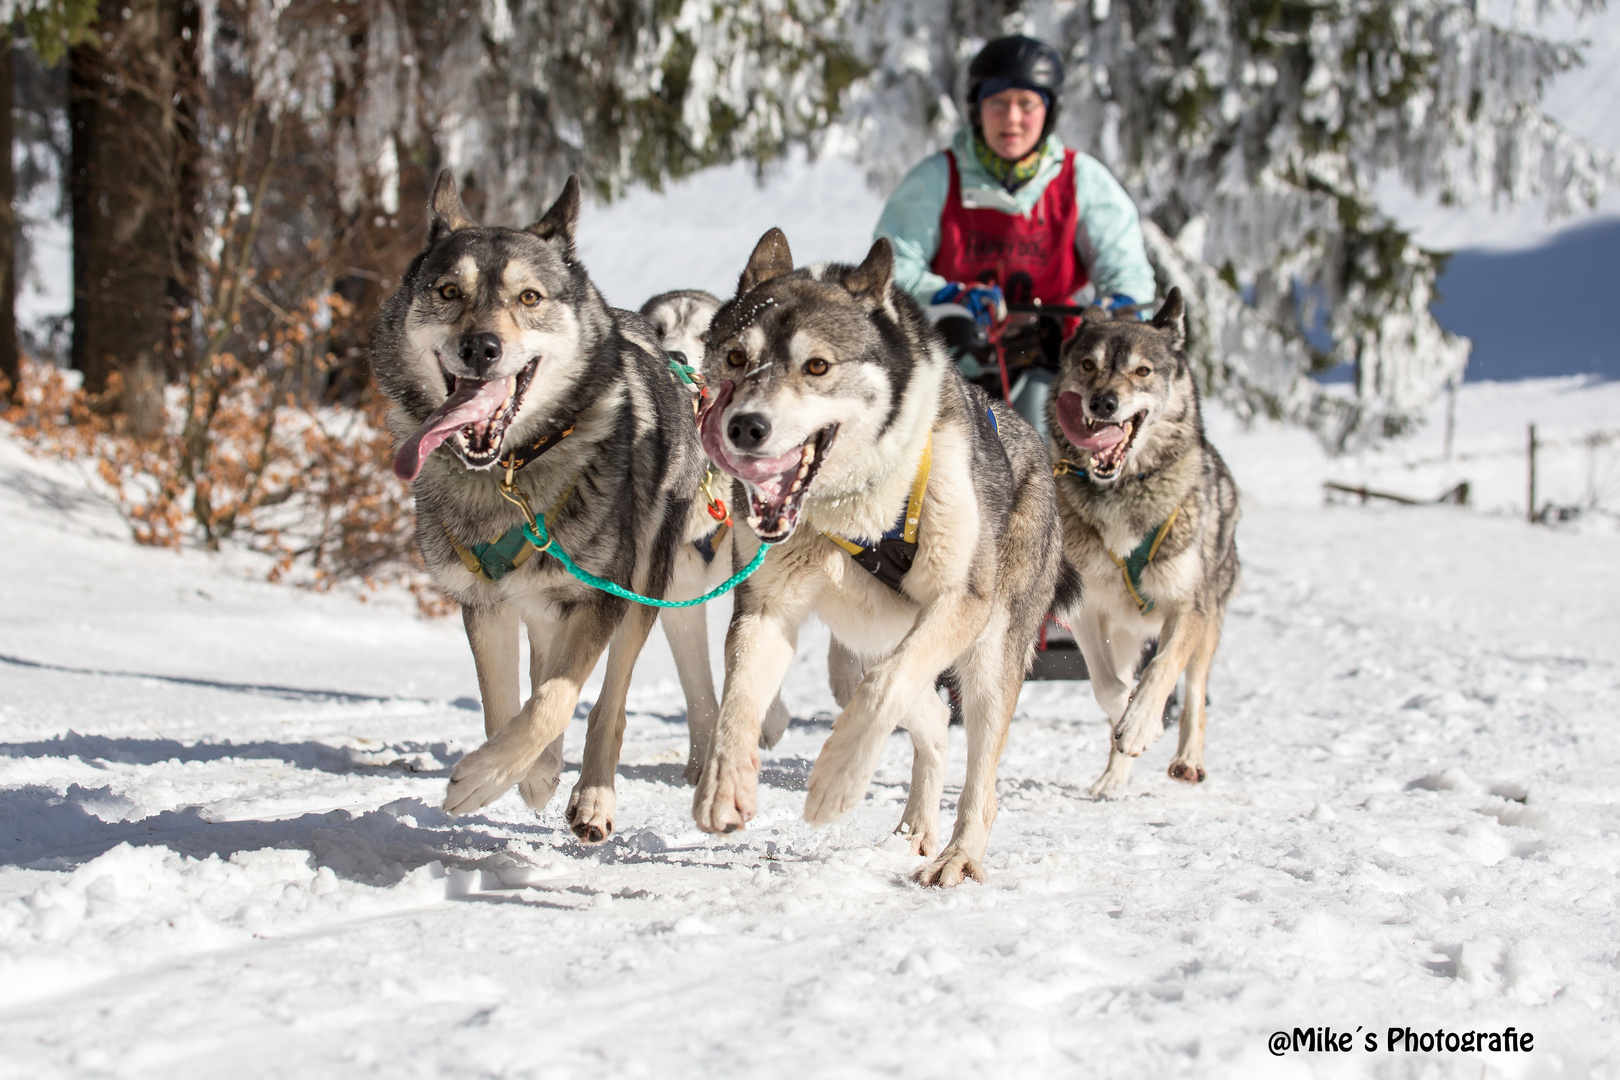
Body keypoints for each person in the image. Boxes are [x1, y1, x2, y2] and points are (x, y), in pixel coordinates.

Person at [874, 35, 1156, 432]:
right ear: (977, 109)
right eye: (998, 103)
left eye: (1027, 104)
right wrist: (947, 296)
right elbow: (892, 268)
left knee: (1046, 440)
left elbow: (1124, 263)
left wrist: (1124, 306)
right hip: (952, 362)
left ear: (1048, 111)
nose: (1012, 119)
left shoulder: (1082, 180)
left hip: (1053, 363)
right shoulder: (935, 179)